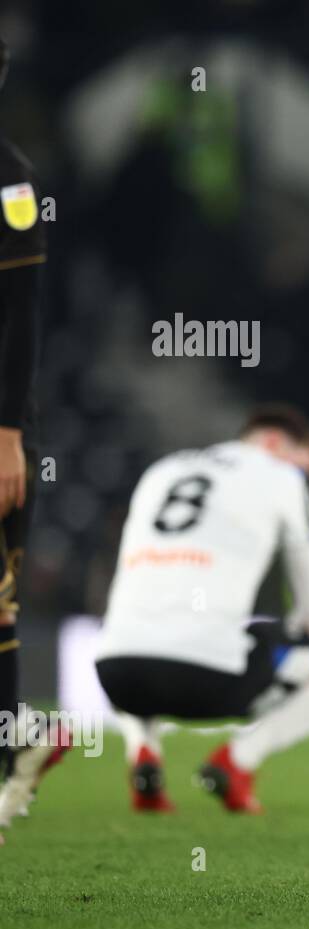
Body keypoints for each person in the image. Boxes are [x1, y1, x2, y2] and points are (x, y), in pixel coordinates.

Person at [94, 405, 309, 814]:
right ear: (273, 443)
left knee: (142, 630)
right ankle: (235, 763)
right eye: (304, 467)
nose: (305, 478)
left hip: (116, 672)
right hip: (205, 677)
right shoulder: (282, 478)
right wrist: (299, 638)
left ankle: (143, 752)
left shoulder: (161, 471)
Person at [0, 37, 70, 842]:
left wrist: (9, 433)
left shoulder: (9, 180)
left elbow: (21, 313)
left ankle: (12, 743)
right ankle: (19, 738)